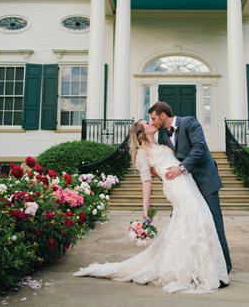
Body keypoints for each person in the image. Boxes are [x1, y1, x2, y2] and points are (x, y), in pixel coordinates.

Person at [73, 116, 229, 294]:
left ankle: (198, 267)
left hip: (189, 184)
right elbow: (146, 182)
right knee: (197, 219)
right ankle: (194, 270)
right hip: (177, 189)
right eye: (147, 123)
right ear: (141, 133)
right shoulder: (142, 154)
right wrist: (145, 210)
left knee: (198, 221)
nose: (151, 122)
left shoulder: (163, 146)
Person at [148, 101, 232, 278]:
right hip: (187, 188)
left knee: (214, 223)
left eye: (154, 118)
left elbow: (199, 148)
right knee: (186, 225)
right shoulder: (164, 138)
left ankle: (224, 267)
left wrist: (181, 168)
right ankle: (196, 266)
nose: (152, 122)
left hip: (205, 181)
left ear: (163, 115)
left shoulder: (189, 122)